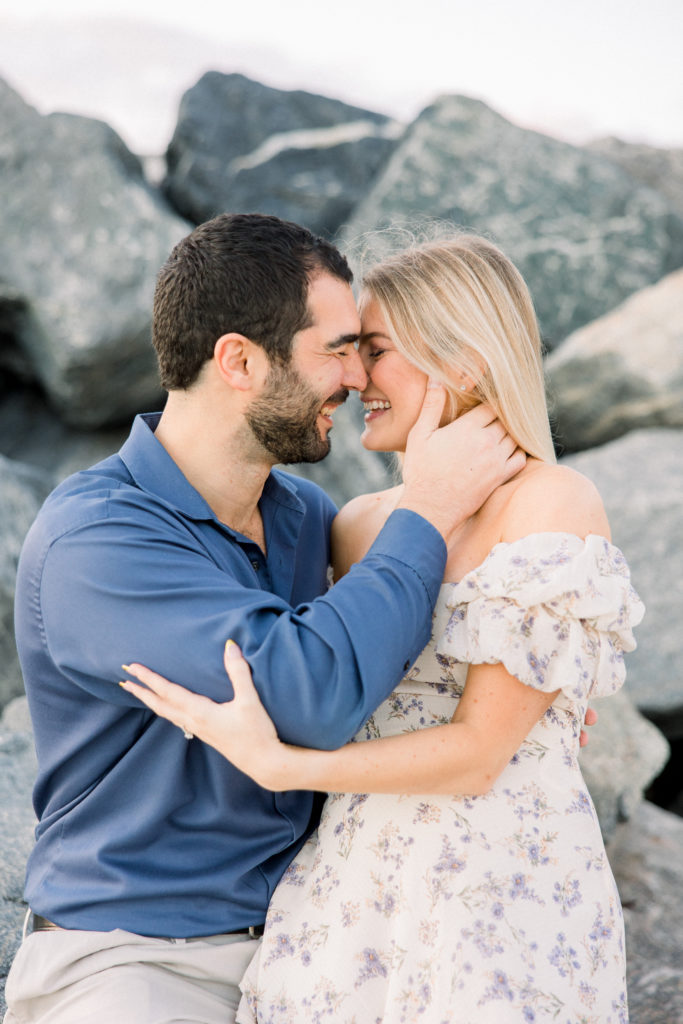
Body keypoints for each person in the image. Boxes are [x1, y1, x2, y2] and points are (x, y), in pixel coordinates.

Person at [3, 215, 527, 1024]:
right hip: (139, 961)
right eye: (336, 348)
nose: (356, 377)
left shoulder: (304, 520)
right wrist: (426, 507)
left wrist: (520, 695)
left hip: (317, 945)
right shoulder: (98, 540)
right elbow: (309, 695)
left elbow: (391, 661)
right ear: (239, 361)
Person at [121, 234, 643, 1023]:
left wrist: (281, 766)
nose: (355, 377)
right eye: (350, 350)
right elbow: (304, 668)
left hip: (498, 893)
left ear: (462, 362)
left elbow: (477, 755)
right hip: (349, 895)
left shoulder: (551, 502)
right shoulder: (355, 526)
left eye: (376, 349)